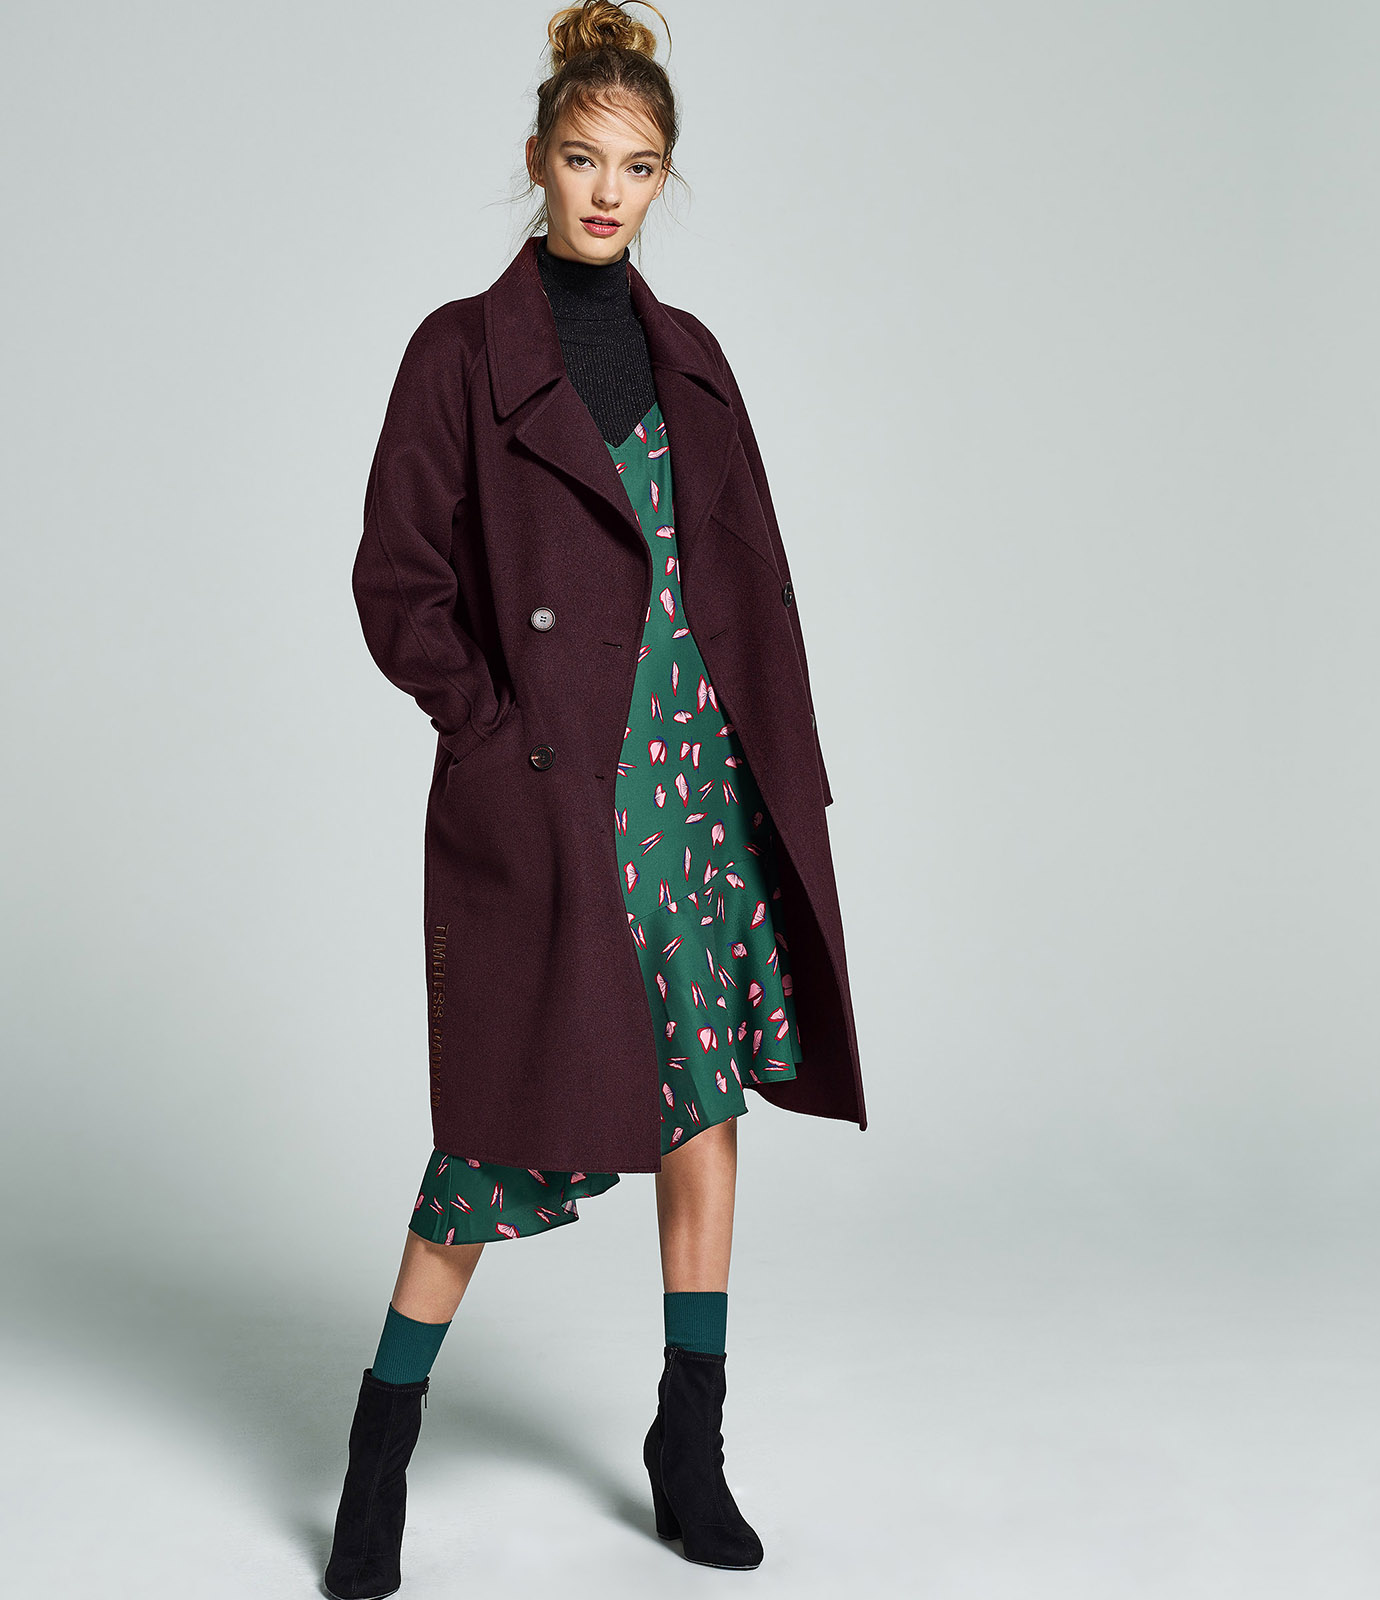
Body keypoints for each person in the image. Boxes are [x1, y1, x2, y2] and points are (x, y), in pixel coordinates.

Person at [322, 4, 866, 1594]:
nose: (607, 192)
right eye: (581, 160)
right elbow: (397, 579)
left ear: (664, 177)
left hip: (700, 782)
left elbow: (751, 579)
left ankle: (688, 1442)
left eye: (636, 167)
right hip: (563, 791)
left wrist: (783, 765)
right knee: (493, 1134)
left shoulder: (693, 358)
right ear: (538, 161)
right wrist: (490, 730)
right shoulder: (460, 352)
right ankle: (379, 1446)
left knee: (701, 1099)